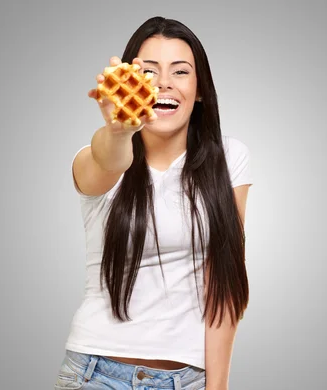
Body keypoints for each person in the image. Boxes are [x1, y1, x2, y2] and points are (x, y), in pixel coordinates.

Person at [54, 16, 253, 390]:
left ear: (199, 91)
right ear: (130, 82)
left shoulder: (229, 158)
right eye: (149, 71)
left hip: (189, 380)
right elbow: (109, 159)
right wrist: (118, 131)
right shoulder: (95, 157)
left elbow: (224, 283)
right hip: (95, 375)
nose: (164, 82)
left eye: (180, 71)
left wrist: (218, 386)